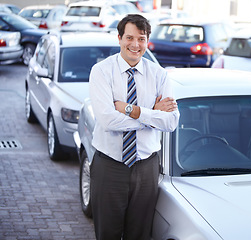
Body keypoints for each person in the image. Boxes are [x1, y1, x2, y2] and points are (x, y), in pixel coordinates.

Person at [88, 14, 180, 240]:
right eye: (129, 38)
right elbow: (108, 121)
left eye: (141, 39)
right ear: (119, 38)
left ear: (147, 40)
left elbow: (171, 121)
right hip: (109, 165)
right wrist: (152, 113)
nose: (135, 45)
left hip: (146, 167)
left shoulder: (159, 74)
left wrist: (133, 110)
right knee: (107, 233)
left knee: (139, 234)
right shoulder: (101, 71)